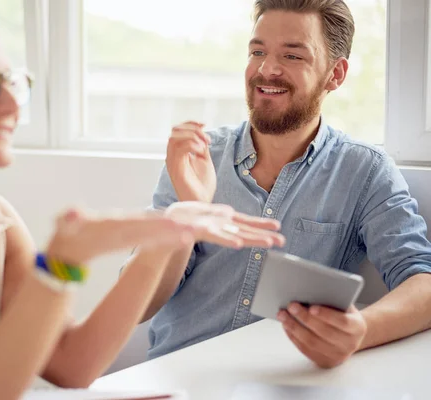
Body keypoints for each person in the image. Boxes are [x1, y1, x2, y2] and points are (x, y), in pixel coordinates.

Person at [0, 1, 286, 399]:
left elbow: (71, 365)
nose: (12, 105)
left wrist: (169, 235)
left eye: (11, 81)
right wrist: (63, 259)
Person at [142, 0, 431, 368]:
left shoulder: (364, 171)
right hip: (176, 378)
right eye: (257, 51)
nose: (267, 69)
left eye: (292, 56)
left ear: (335, 75)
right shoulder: (197, 158)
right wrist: (186, 214)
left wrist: (359, 330)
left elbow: (423, 283)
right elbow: (139, 305)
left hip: (284, 384)